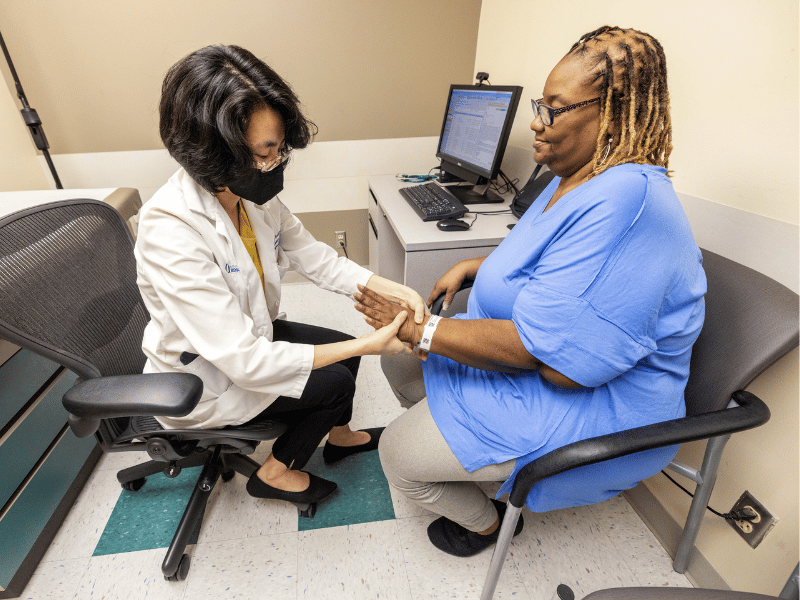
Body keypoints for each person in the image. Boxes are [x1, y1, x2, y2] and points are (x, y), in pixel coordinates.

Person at [355, 26, 706, 558]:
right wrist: (475, 266)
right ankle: (465, 452)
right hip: (536, 359)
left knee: (399, 460)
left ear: (610, 112)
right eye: (542, 104)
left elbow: (554, 365)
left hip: (589, 401)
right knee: (400, 364)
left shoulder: (626, 201)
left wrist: (422, 327)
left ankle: (488, 522)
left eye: (556, 110)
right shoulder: (576, 176)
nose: (538, 122)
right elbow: (546, 256)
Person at [135, 44, 425, 511]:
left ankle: (339, 437)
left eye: (280, 147)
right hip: (209, 376)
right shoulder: (171, 230)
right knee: (338, 380)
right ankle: (275, 471)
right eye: (265, 151)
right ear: (214, 152)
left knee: (340, 352)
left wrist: (395, 287)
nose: (276, 162)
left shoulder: (251, 194)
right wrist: (370, 345)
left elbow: (313, 256)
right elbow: (246, 363)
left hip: (250, 336)